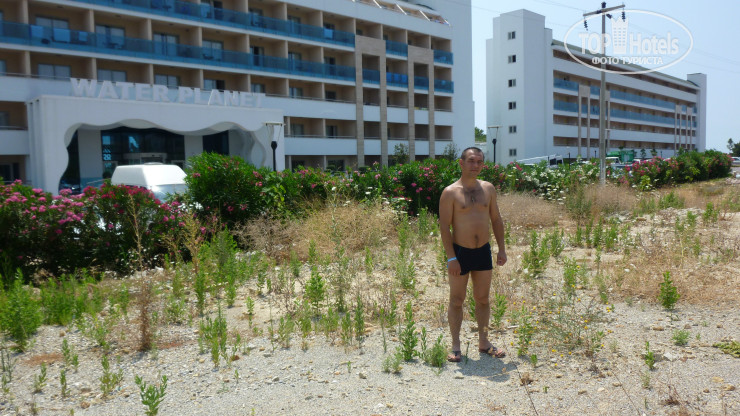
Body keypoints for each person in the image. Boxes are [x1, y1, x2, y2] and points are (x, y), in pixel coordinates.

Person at [439, 147, 507, 362]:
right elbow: (444, 226)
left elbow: (496, 219)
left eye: (479, 161)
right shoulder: (450, 192)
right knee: (457, 300)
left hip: (483, 250)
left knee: (483, 299)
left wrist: (501, 248)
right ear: (461, 163)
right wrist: (451, 257)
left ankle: (484, 342)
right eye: (471, 161)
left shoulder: (488, 189)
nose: (475, 165)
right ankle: (455, 346)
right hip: (460, 252)